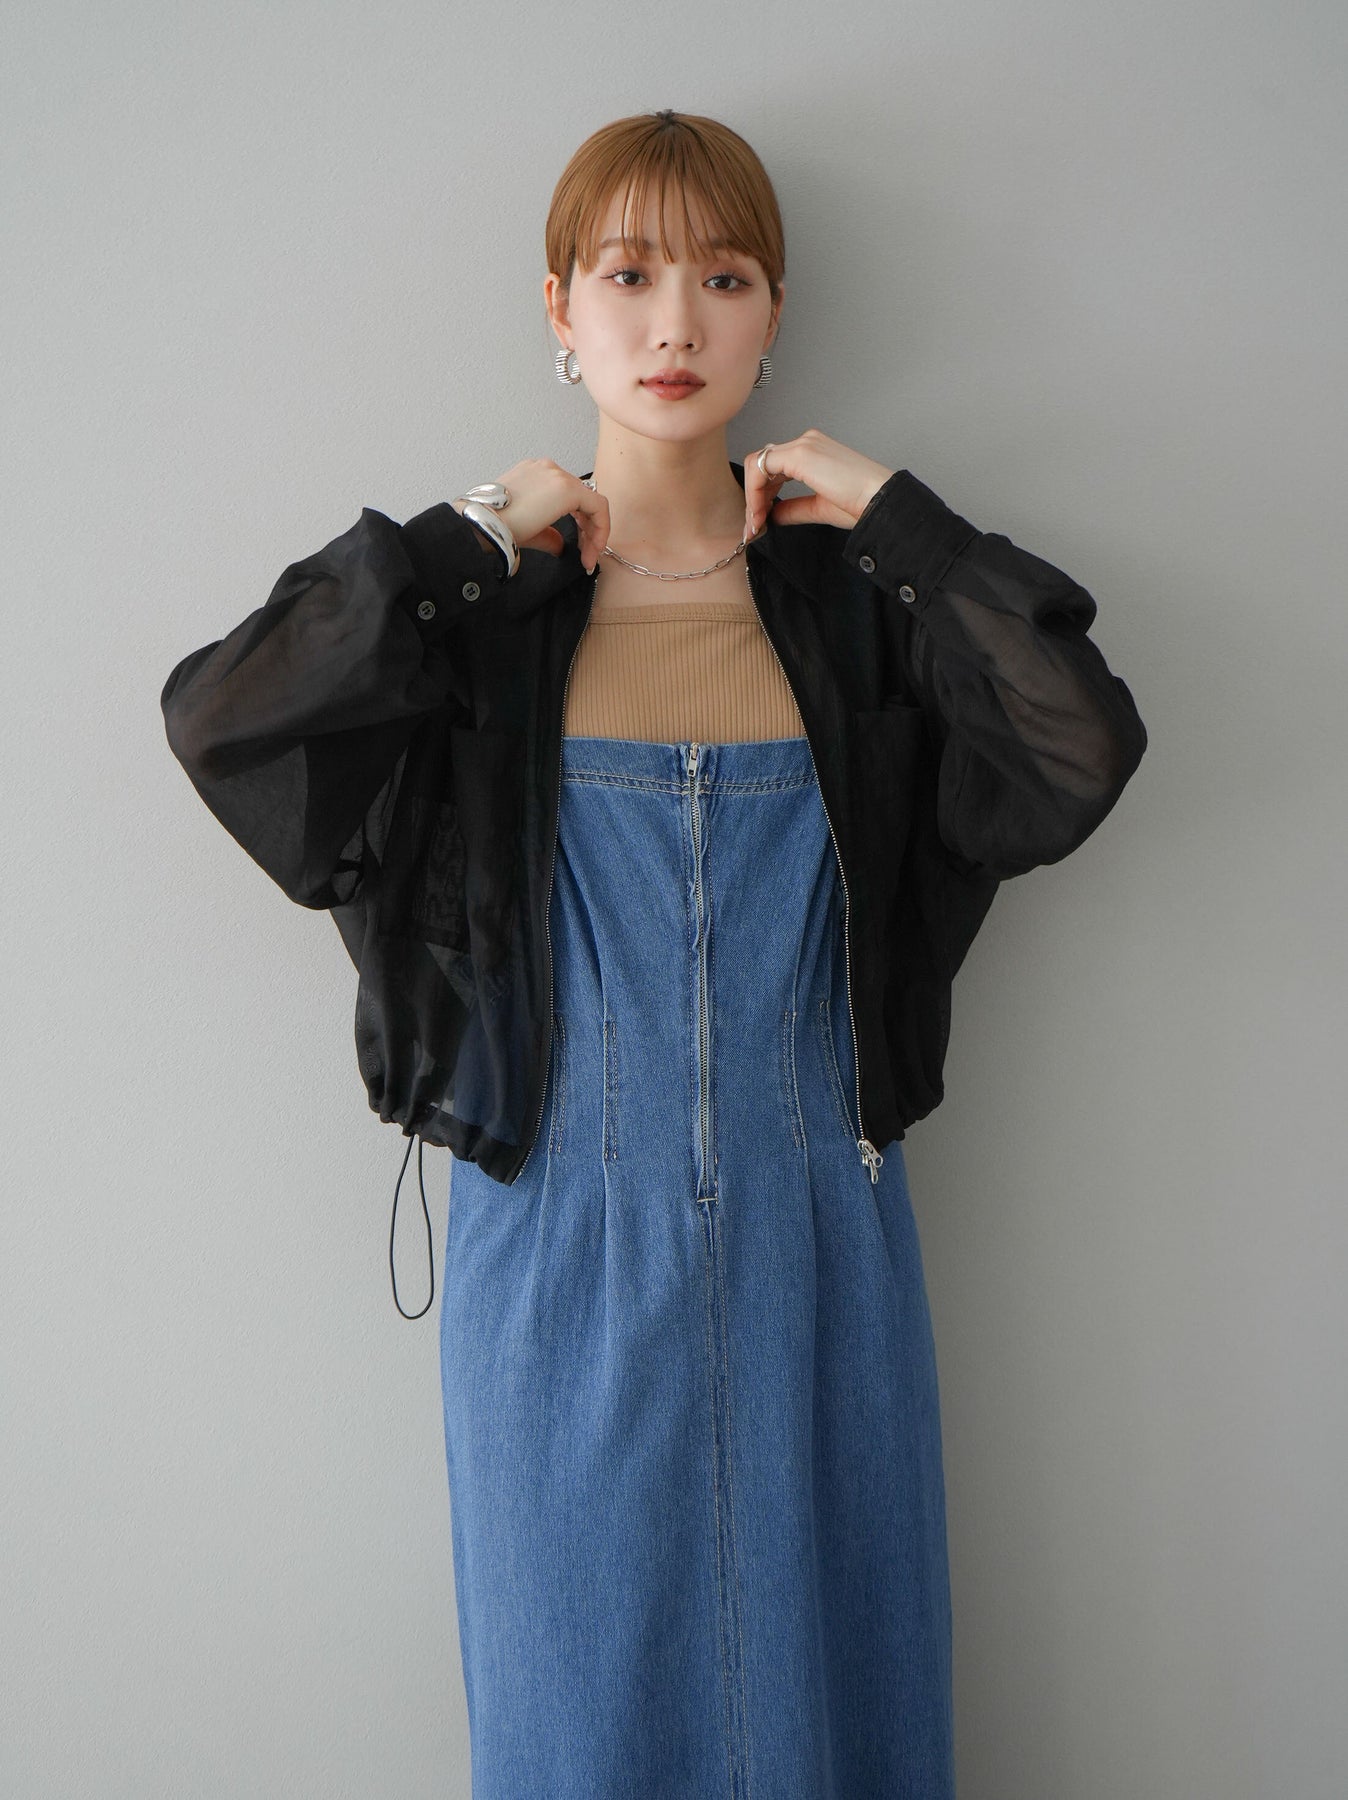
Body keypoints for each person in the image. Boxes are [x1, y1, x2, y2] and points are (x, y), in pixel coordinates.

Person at [161, 108, 1146, 1798]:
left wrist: (901, 521)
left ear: (775, 315)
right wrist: (472, 532)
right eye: (628, 276)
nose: (675, 321)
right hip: (555, 1245)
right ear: (558, 310)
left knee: (837, 1711)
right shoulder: (481, 628)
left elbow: (1079, 742)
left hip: (823, 1239)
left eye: (724, 277)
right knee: (580, 1724)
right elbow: (225, 719)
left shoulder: (857, 615)